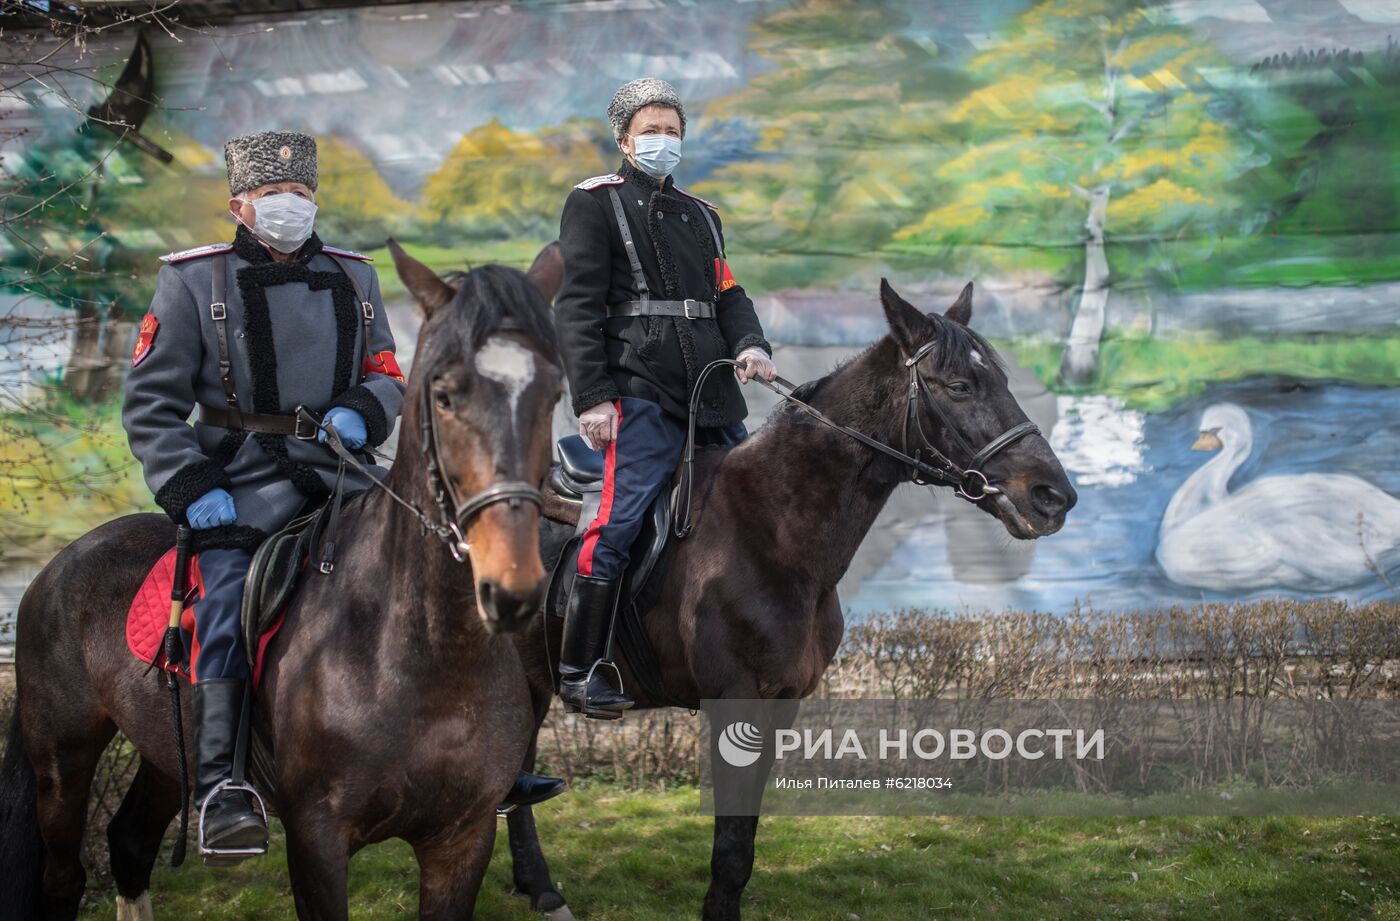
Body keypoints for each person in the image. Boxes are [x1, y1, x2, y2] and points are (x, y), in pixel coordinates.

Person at [122, 130, 559, 858]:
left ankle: (486, 760)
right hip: (239, 476)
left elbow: (389, 371)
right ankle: (224, 784)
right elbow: (150, 405)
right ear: (239, 204)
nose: (289, 206)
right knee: (227, 598)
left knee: (447, 569)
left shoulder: (355, 278)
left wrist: (365, 404)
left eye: (300, 193)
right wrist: (192, 484)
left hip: (341, 470)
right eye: (272, 196)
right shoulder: (192, 281)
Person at [554, 78, 778, 719]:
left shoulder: (703, 214)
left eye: (673, 131)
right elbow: (576, 308)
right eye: (651, 130)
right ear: (624, 138)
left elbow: (729, 295)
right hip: (638, 396)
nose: (663, 141)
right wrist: (593, 396)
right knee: (616, 523)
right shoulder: (593, 203)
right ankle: (580, 669)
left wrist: (753, 345)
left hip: (713, 397)